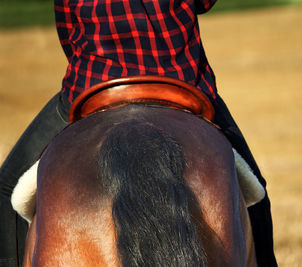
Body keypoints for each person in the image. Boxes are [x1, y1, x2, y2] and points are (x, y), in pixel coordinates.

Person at [0, 0, 277, 266]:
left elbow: (67, 28)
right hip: (179, 83)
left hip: (94, 86)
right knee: (255, 191)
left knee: (6, 189)